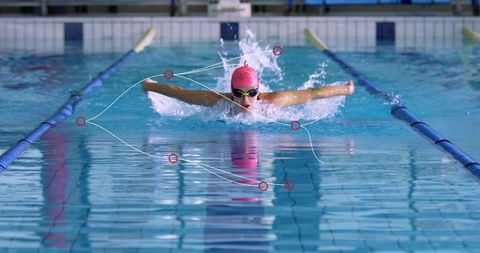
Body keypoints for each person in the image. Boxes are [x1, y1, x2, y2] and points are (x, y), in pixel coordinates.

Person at [143, 62, 355, 114]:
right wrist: (151, 86)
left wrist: (346, 89)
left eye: (251, 93)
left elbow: (311, 94)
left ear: (258, 91)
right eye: (239, 94)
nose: (245, 100)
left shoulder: (274, 101)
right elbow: (183, 94)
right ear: (231, 92)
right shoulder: (218, 101)